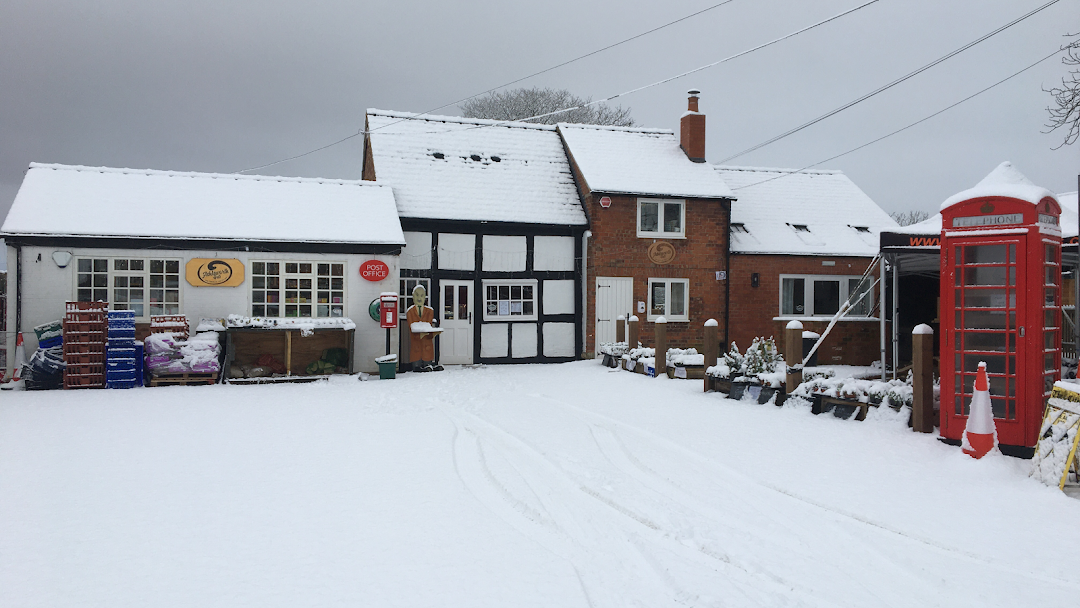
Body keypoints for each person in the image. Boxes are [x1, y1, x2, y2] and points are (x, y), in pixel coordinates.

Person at [406, 285, 442, 372]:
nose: (419, 298)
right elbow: (412, 327)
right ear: (413, 296)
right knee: (416, 357)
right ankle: (418, 366)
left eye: (422, 296)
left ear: (425, 297)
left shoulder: (429, 311)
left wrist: (433, 333)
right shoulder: (410, 311)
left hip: (427, 343)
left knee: (427, 354)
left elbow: (428, 326)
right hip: (416, 343)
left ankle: (429, 365)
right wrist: (420, 334)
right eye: (417, 295)